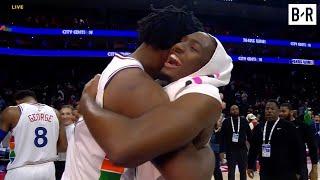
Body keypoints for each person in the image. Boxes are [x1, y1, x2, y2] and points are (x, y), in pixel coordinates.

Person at [62, 5, 226, 180]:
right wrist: (205, 147)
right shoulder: (135, 83)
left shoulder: (124, 70)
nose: (181, 48)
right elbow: (189, 175)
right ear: (173, 45)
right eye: (186, 44)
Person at [0, 90, 67, 180]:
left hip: (21, 169)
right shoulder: (55, 112)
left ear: (17, 101)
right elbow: (63, 147)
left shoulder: (13, 111)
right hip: (48, 169)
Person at [247, 99, 304, 180]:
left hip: (285, 171)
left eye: (272, 109)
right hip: (265, 171)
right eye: (267, 109)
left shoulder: (288, 126)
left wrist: (298, 170)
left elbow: (297, 149)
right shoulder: (259, 127)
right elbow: (253, 148)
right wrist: (250, 166)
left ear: (278, 111)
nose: (269, 111)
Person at [279, 103, 318, 180]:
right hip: (281, 167)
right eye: (280, 111)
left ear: (291, 112)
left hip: (300, 167)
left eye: (283, 111)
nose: (281, 114)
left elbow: (312, 147)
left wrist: (314, 168)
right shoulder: (278, 126)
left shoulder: (303, 126)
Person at [220, 105, 251, 180]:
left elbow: (249, 135)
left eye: (236, 109)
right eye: (233, 109)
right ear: (230, 111)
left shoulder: (244, 121)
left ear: (239, 110)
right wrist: (222, 151)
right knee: (231, 172)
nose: (235, 111)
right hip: (230, 151)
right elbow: (222, 137)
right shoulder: (226, 121)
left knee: (243, 171)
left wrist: (250, 148)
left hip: (242, 150)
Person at [55, 105, 76, 180]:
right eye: (62, 114)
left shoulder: (76, 130)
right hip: (57, 162)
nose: (65, 116)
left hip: (70, 164)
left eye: (68, 114)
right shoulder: (56, 129)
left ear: (73, 115)